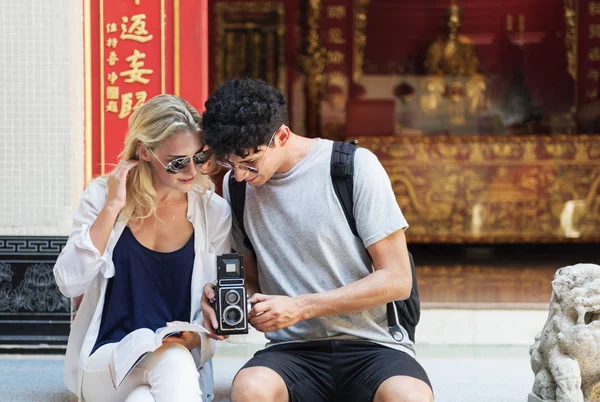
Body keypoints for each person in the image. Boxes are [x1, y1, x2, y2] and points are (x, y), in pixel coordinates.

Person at [200, 78, 433, 402]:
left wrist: (300, 307)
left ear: (281, 135)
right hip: (292, 350)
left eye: (249, 163)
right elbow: (251, 279)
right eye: (230, 165)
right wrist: (233, 298)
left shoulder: (353, 167)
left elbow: (397, 280)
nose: (240, 175)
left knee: (409, 396)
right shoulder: (237, 188)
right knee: (250, 389)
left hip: (374, 345)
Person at [54, 94, 231, 402]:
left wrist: (202, 330)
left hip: (177, 360)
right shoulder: (101, 197)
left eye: (200, 158)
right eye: (178, 162)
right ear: (145, 151)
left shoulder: (212, 211)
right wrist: (112, 206)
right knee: (173, 360)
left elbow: (213, 298)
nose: (192, 171)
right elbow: (70, 282)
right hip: (106, 359)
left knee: (143, 397)